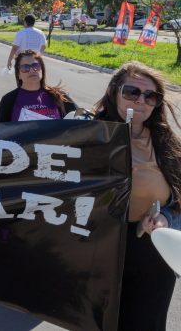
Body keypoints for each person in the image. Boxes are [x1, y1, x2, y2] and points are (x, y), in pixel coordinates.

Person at [93, 61, 181, 330]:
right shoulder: (90, 133)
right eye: (131, 92)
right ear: (115, 92)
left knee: (147, 322)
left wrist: (165, 218)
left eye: (150, 95)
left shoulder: (164, 140)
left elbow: (179, 199)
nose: (140, 100)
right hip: (101, 247)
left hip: (151, 248)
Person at [0, 50, 76, 122]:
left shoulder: (59, 96)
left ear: (42, 69)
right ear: (18, 75)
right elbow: (0, 133)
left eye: (35, 66)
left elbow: (80, 118)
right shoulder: (8, 100)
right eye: (25, 67)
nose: (31, 70)